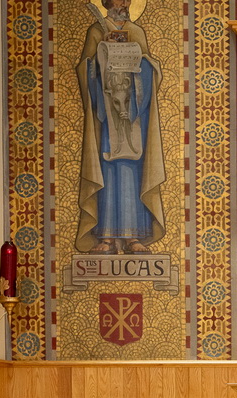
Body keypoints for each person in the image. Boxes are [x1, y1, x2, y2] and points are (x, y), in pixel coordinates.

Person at [75, 0, 166, 255]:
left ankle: (132, 238)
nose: (123, 2)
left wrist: (138, 61)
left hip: (133, 116)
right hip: (106, 118)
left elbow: (151, 69)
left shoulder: (136, 32)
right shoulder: (96, 31)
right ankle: (105, 237)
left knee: (131, 171)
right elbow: (85, 69)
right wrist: (102, 56)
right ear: (106, 2)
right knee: (108, 170)